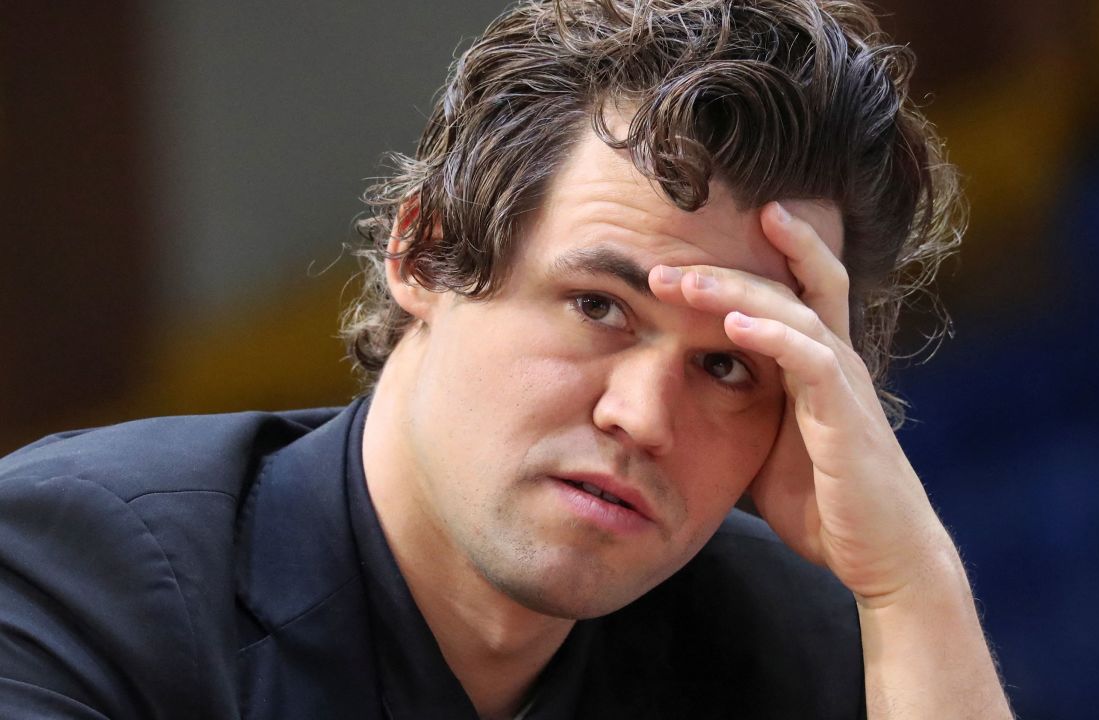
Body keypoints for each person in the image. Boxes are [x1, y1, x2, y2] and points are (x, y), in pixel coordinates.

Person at [0, 0, 1012, 717]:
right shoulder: (75, 573)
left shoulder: (778, 638)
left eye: (727, 368)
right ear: (424, 249)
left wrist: (906, 585)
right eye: (596, 306)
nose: (642, 417)